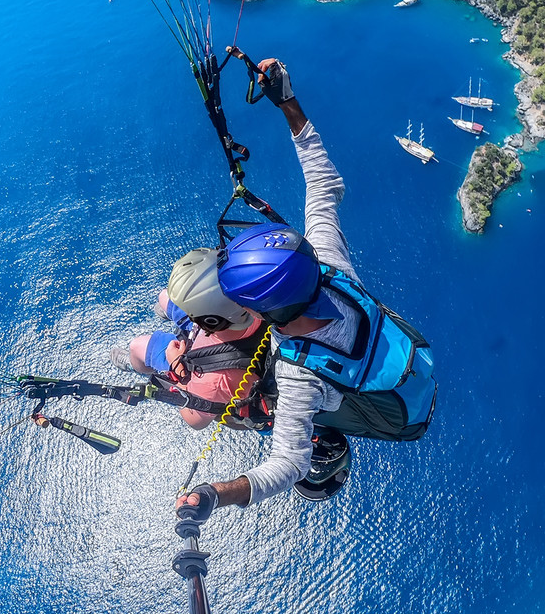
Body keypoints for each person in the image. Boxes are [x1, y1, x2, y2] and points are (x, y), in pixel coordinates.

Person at [177, 57, 437, 519]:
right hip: (381, 364)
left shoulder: (301, 379)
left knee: (238, 412)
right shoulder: (330, 267)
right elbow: (322, 182)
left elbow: (287, 465)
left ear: (265, 312)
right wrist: (287, 101)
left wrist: (218, 493)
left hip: (353, 397)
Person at [111, 248, 272, 430]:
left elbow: (194, 420)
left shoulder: (216, 381)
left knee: (137, 347)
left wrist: (176, 366)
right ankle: (177, 310)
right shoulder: (262, 297)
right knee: (166, 296)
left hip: (207, 361)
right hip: (224, 326)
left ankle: (139, 366)